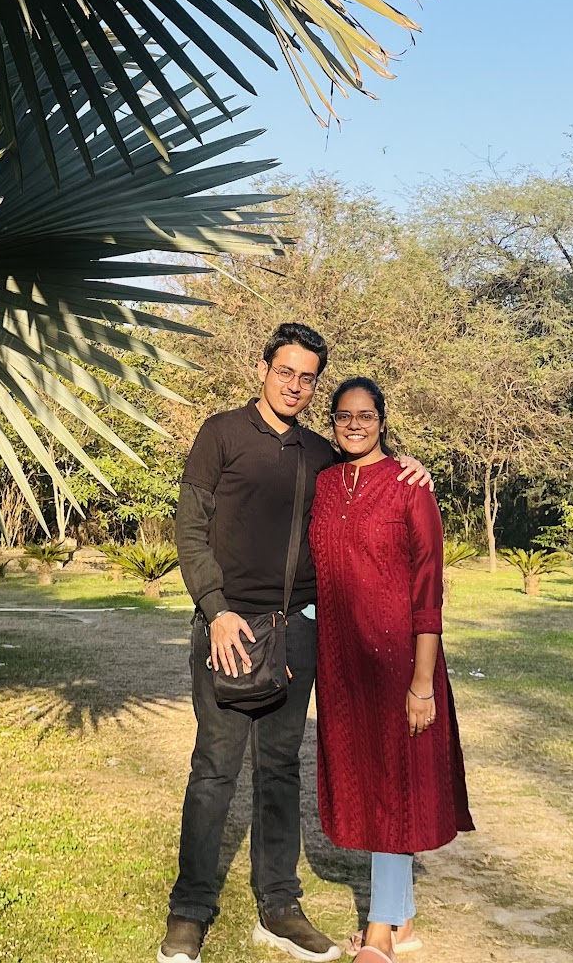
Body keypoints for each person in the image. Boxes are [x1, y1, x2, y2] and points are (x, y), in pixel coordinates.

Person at [161, 325, 434, 963]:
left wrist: (411, 466)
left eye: (307, 377)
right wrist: (216, 612)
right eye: (285, 371)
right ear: (263, 369)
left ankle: (279, 907)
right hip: (229, 629)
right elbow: (190, 530)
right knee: (215, 769)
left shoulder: (318, 451)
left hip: (296, 632)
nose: (295, 385)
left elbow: (369, 467)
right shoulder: (220, 434)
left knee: (281, 769)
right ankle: (190, 911)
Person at [310, 376, 473, 960]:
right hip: (342, 664)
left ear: (382, 419)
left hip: (401, 662)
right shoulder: (325, 484)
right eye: (343, 416)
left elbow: (428, 589)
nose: (355, 425)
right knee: (375, 782)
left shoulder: (409, 487)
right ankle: (402, 921)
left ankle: (380, 930)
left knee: (394, 785)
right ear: (333, 423)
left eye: (366, 415)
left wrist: (422, 684)